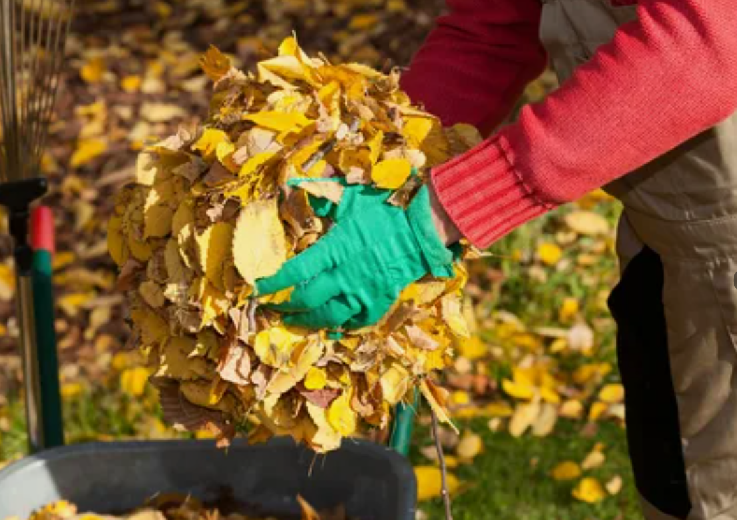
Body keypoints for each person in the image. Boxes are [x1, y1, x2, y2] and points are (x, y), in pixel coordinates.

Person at [257, 1, 737, 518]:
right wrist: (380, 160)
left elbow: (708, 37)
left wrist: (440, 214)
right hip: (672, 240)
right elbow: (495, 25)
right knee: (676, 493)